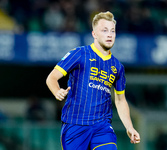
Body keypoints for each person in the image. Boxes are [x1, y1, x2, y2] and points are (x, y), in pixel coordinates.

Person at [46, 11, 140, 150]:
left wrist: (130, 127)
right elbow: (52, 78)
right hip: (75, 124)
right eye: (104, 30)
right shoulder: (79, 54)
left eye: (112, 31)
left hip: (102, 127)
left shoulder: (117, 67)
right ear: (94, 34)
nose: (109, 34)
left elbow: (120, 100)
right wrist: (56, 91)